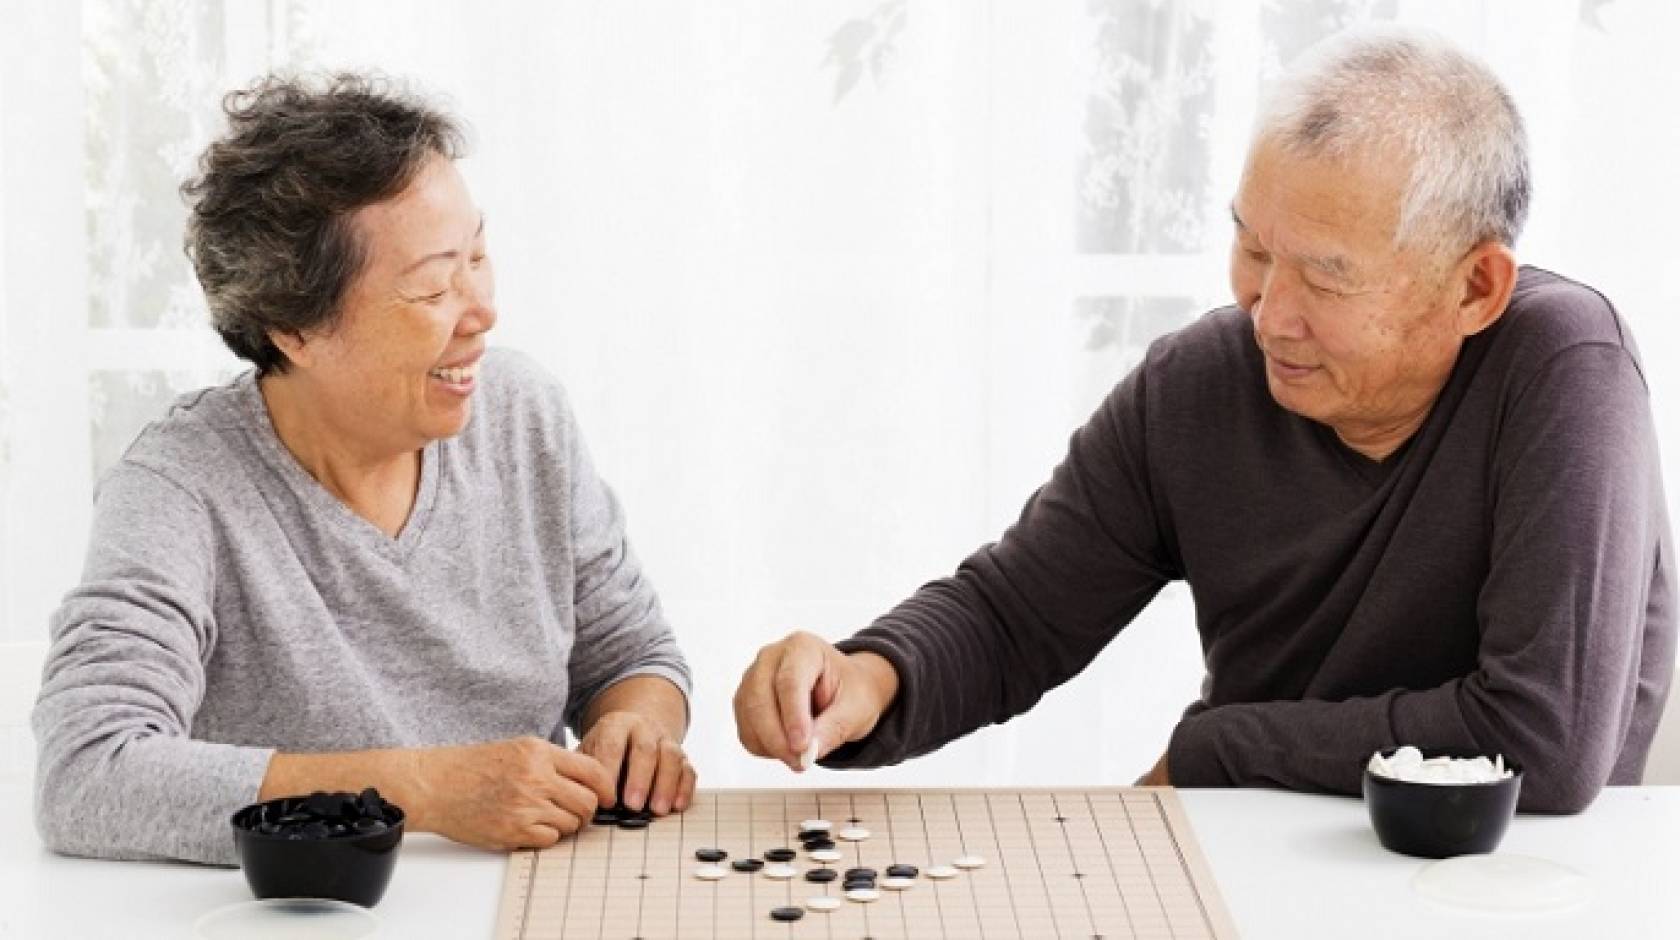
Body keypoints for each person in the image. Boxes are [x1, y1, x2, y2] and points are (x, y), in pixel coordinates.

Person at [733, 28, 1675, 813]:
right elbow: (1015, 614)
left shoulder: (1565, 369)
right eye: (1252, 246)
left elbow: (1537, 743)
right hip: (1254, 860)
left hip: (1513, 886)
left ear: (1475, 287)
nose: (1268, 314)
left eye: (1326, 275)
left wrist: (1220, 751)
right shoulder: (1196, 384)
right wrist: (865, 677)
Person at [33, 74, 695, 866]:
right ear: (293, 329)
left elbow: (633, 657)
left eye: (477, 257)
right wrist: (420, 791)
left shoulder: (524, 415)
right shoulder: (179, 487)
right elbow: (87, 775)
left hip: (524, 897)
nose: (481, 311)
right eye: (431, 286)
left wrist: (638, 724)